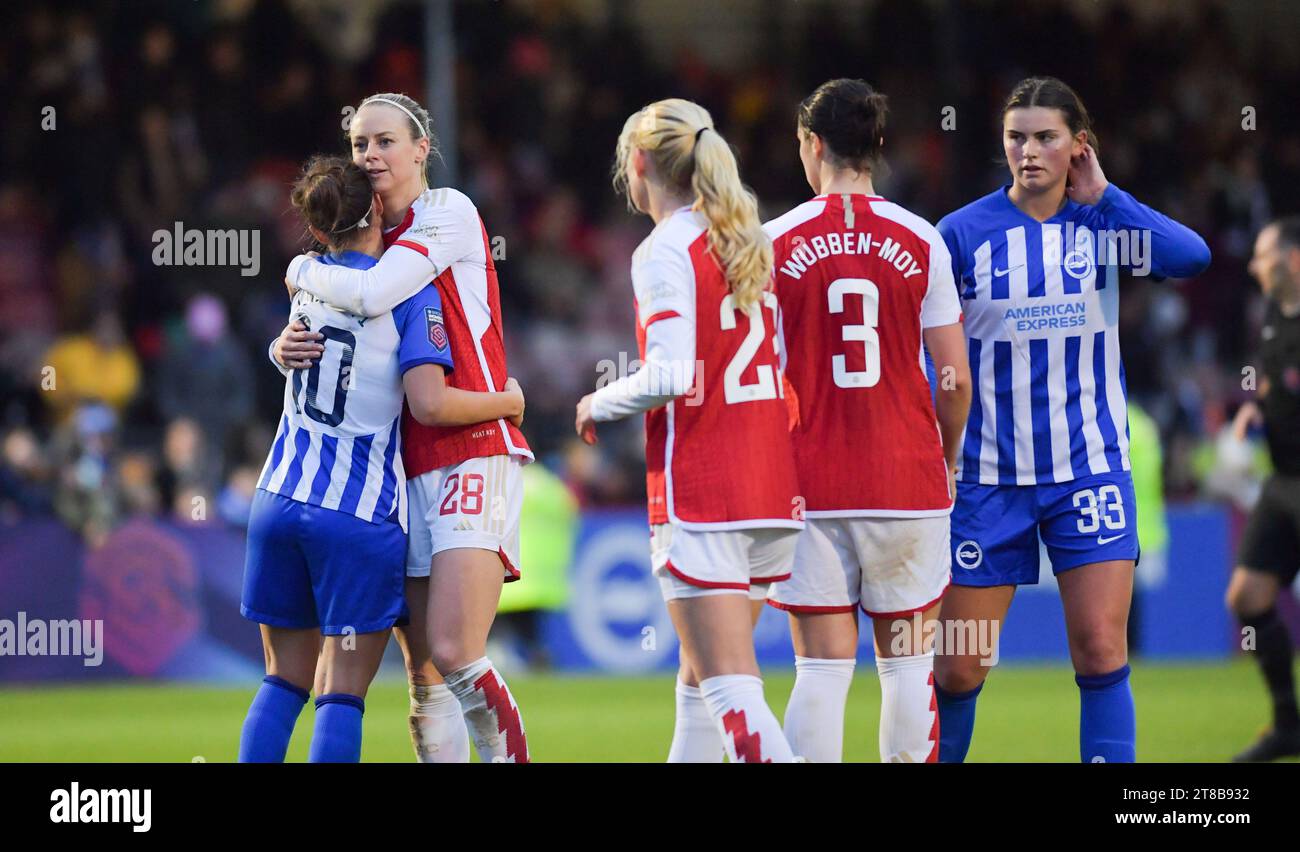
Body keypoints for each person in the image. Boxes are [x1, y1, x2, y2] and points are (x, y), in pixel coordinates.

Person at [933, 76, 1211, 763]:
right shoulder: (961, 235)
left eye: (1045, 137)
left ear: (1077, 147)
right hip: (987, 479)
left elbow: (1193, 256)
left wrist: (1108, 196)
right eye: (1016, 137)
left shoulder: (1105, 228)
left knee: (1099, 648)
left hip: (1087, 472)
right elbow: (932, 353)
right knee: (958, 667)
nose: (1028, 151)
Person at [276, 94, 534, 763]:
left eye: (386, 142)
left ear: (422, 148)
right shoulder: (369, 239)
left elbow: (368, 294)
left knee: (454, 651)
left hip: (471, 445)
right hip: (400, 470)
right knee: (423, 673)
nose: (371, 156)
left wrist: (299, 269)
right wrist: (282, 345)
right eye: (361, 144)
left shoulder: (447, 213)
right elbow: (336, 334)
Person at [575, 98, 802, 763]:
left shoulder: (664, 248)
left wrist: (600, 402)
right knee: (700, 681)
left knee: (731, 690)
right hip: (771, 487)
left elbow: (673, 373)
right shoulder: (747, 238)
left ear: (639, 164)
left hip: (704, 490)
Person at [763, 79, 971, 762]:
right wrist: (945, 454)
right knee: (908, 666)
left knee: (821, 669)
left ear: (812, 144)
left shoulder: (771, 243)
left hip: (810, 482)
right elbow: (955, 377)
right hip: (906, 478)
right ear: (877, 145)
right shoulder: (923, 240)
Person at [1226, 216, 1300, 762]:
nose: (1254, 265)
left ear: (1293, 260)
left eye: (1262, 254)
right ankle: (1288, 725)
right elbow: (1274, 374)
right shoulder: (1275, 314)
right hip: (1283, 480)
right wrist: (1257, 403)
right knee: (1247, 598)